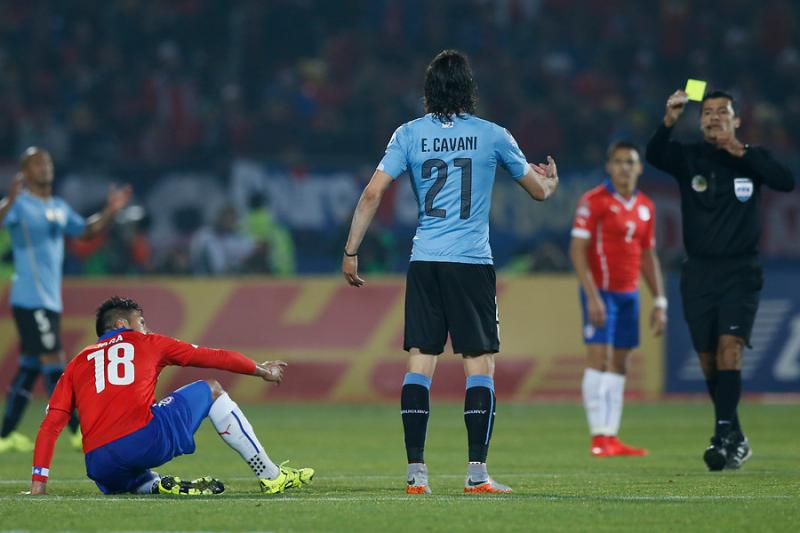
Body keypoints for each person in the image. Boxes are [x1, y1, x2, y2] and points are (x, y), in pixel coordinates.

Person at [342, 50, 559, 494]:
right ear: (469, 89)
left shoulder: (408, 134)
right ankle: (477, 474)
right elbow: (538, 191)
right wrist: (552, 181)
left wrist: (351, 251)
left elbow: (371, 194)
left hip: (425, 261)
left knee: (420, 363)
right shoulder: (493, 135)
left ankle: (415, 474)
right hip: (471, 262)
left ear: (428, 92)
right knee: (479, 365)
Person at [27, 296, 314, 495]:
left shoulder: (76, 362)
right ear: (121, 325)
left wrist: (39, 484)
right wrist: (261, 370)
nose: (146, 328)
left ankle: (153, 484)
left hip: (99, 465)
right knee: (212, 389)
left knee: (129, 473)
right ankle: (271, 476)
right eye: (141, 321)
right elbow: (215, 356)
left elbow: (51, 425)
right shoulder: (149, 342)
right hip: (142, 442)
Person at [646, 89, 795, 470]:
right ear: (700, 122)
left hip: (740, 271)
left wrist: (740, 151)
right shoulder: (690, 157)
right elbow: (655, 155)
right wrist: (668, 120)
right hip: (698, 272)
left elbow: (785, 181)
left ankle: (721, 435)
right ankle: (736, 436)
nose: (714, 117)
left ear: (737, 120)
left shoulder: (752, 159)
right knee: (708, 358)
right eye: (707, 112)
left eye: (722, 111)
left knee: (730, 349)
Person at [0, 147, 131, 453]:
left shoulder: (58, 206)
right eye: (36, 163)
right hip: (30, 298)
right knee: (55, 362)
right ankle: (77, 431)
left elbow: (85, 232)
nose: (44, 167)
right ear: (25, 172)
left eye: (46, 162)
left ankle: (5, 435)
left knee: (30, 367)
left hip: (49, 300)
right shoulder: (21, 204)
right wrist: (9, 200)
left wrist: (111, 211)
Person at [570, 141, 667, 457]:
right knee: (599, 359)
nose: (625, 167)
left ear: (639, 168)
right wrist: (592, 296)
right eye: (619, 161)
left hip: (629, 295)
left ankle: (611, 435)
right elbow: (577, 250)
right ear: (609, 167)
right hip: (601, 293)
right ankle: (598, 437)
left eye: (630, 162)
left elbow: (648, 255)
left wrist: (660, 301)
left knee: (621, 362)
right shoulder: (594, 201)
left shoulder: (645, 206)